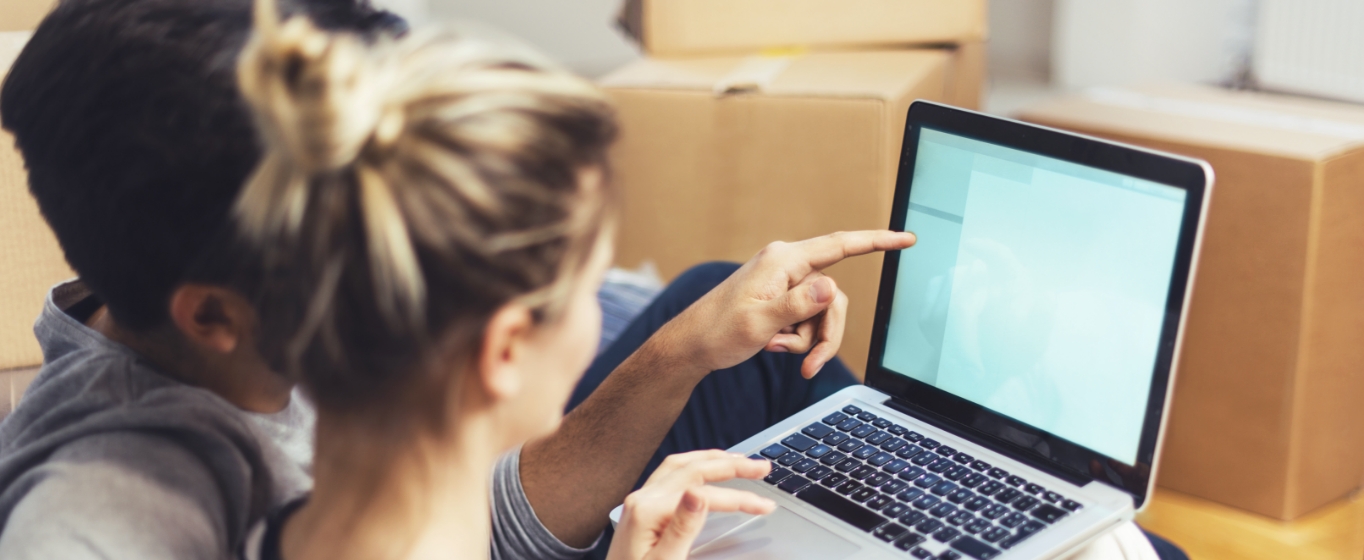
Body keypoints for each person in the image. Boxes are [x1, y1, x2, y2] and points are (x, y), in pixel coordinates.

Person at [0, 0, 912, 557]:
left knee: (715, 317)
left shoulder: (304, 336)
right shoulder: (104, 517)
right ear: (214, 316)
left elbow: (438, 508)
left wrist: (682, 349)